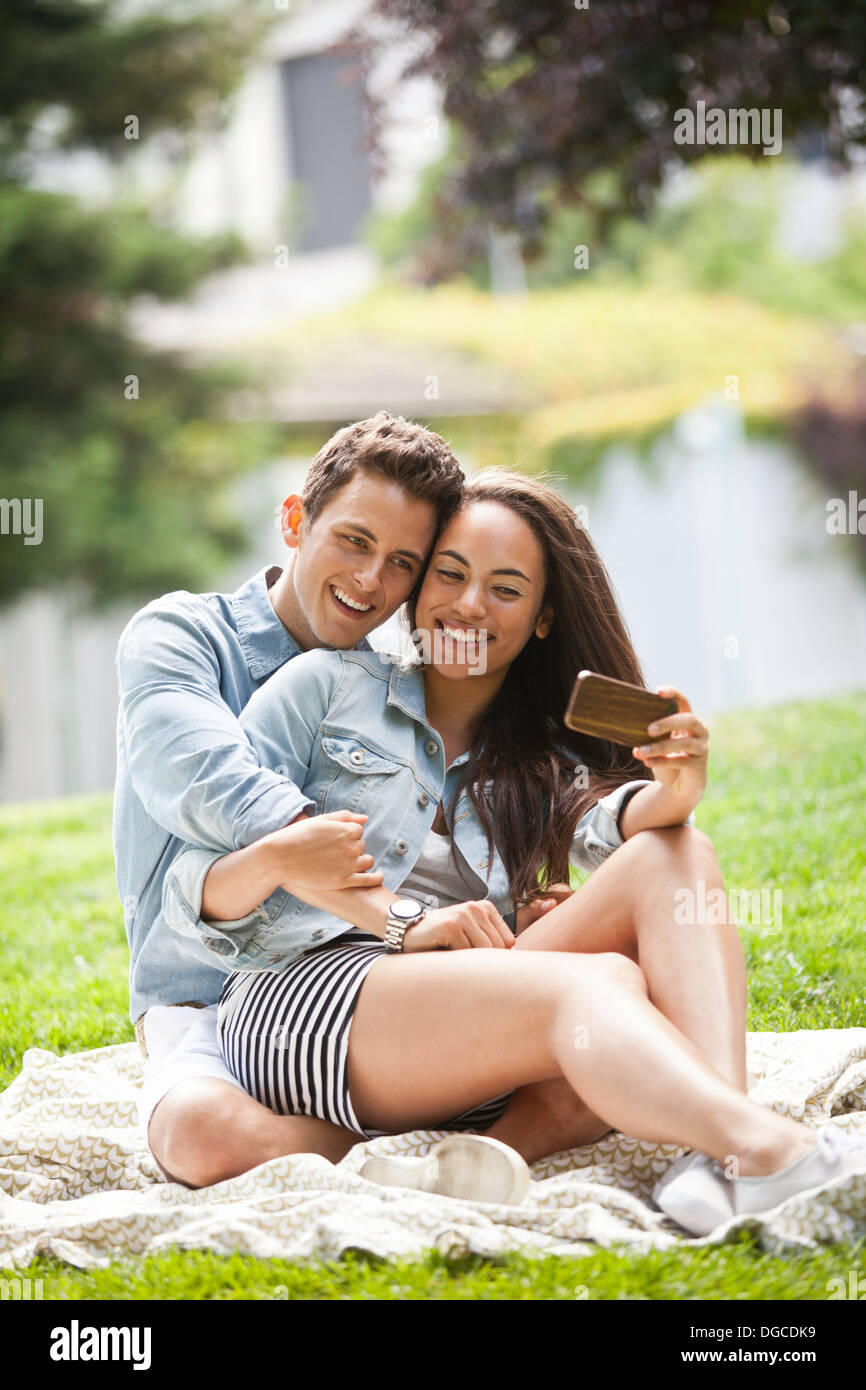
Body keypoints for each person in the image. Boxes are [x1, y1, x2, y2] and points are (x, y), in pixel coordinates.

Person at [164, 470, 866, 1234]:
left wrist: (674, 790)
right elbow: (197, 873)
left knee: (676, 853)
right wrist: (399, 921)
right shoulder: (324, 688)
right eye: (451, 574)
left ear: (541, 617)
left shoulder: (539, 757)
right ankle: (776, 1152)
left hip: (456, 1028)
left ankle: (720, 1157)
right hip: (310, 1002)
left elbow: (615, 823)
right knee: (598, 985)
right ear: (421, 583)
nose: (469, 605)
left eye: (505, 588)